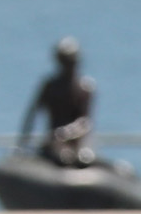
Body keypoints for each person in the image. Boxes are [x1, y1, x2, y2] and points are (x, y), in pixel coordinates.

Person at [18, 37, 96, 166]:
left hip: (78, 143)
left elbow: (85, 122)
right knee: (62, 156)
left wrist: (67, 133)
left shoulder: (85, 88)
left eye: (71, 62)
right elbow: (32, 115)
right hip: (54, 141)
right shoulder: (50, 86)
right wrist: (23, 144)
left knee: (85, 159)